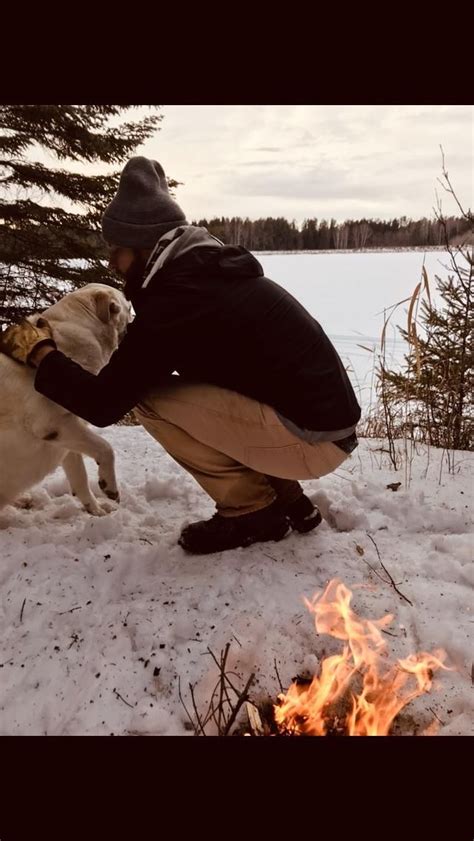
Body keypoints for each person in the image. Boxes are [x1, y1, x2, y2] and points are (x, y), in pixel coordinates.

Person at [0, 156, 361, 555]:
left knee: (151, 400)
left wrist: (40, 351)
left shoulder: (178, 298)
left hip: (310, 441)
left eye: (116, 251)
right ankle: (288, 500)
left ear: (141, 247)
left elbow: (104, 403)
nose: (111, 264)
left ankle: (251, 510)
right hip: (323, 431)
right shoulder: (203, 275)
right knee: (190, 389)